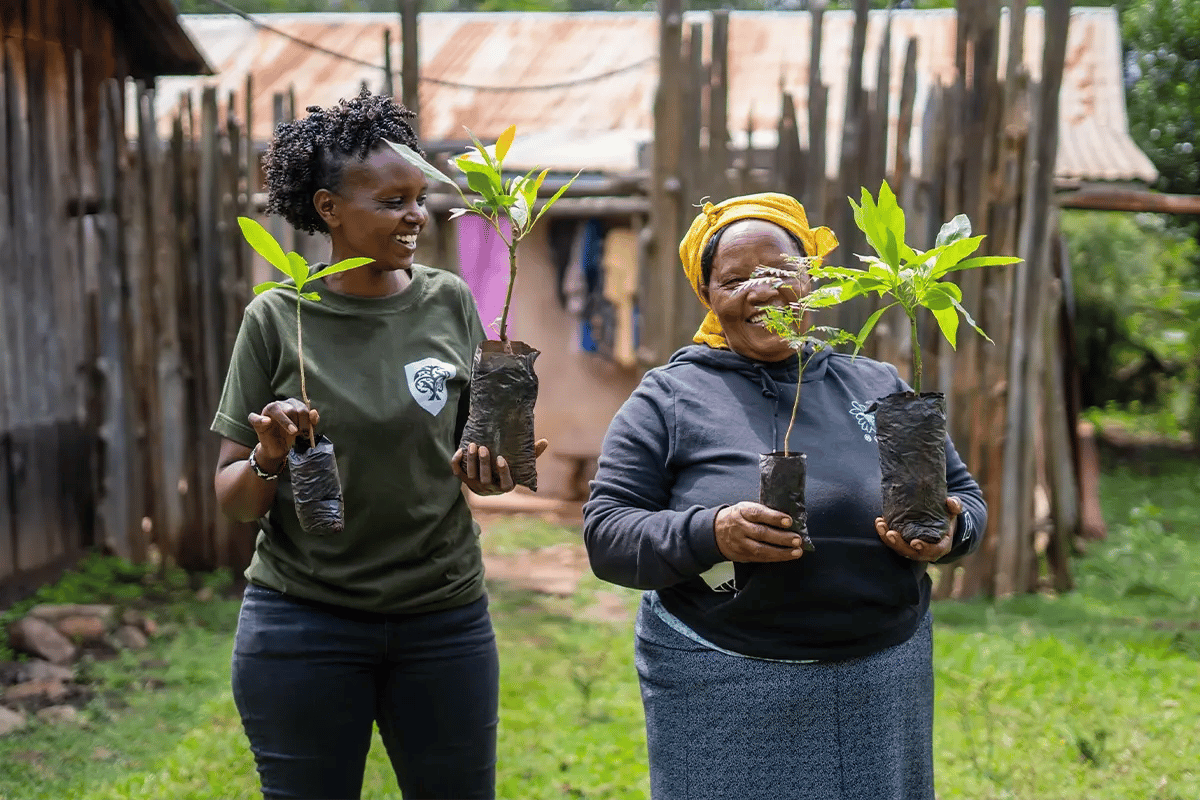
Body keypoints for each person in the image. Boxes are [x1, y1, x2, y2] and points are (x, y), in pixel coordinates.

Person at [582, 192, 987, 800]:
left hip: (880, 675)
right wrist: (710, 531)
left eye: (778, 270)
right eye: (735, 279)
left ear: (813, 277)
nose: (762, 291)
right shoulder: (669, 397)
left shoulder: (875, 383)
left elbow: (963, 496)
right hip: (721, 675)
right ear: (709, 298)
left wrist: (954, 530)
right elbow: (608, 533)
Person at [211, 90, 542, 800]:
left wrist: (493, 469)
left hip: (443, 618)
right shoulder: (277, 318)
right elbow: (234, 500)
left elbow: (468, 459)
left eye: (419, 198)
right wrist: (268, 457)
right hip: (305, 622)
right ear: (329, 208)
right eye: (392, 201)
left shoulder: (449, 299)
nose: (416, 215)